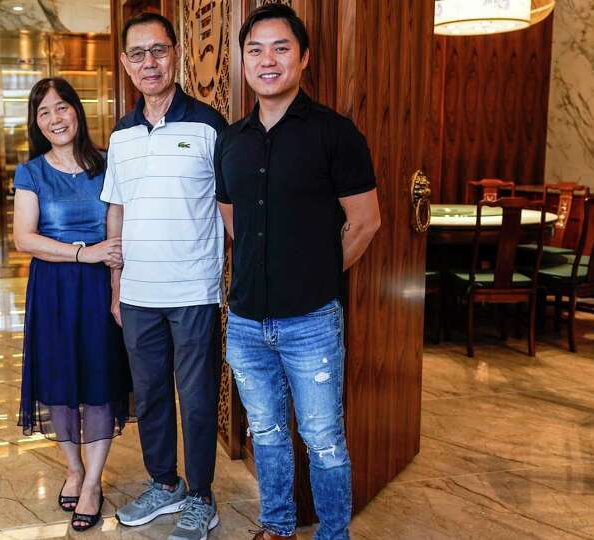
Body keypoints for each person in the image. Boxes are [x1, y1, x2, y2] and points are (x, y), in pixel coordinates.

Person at [214, 5, 381, 540]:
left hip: (311, 320)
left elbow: (364, 223)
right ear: (243, 61)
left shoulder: (336, 133)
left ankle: (334, 534)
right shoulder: (232, 140)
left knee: (324, 436)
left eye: (281, 48)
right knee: (265, 430)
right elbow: (232, 218)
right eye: (256, 49)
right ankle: (278, 525)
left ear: (304, 58)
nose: (268, 60)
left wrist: (313, 274)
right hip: (244, 322)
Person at [101, 12, 227, 540]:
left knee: (197, 398)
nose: (149, 62)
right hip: (137, 293)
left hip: (194, 288)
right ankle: (164, 483)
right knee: (150, 394)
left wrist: (232, 280)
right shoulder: (121, 134)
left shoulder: (209, 125)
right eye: (138, 54)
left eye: (158, 51)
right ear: (127, 65)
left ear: (175, 55)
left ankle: (201, 496)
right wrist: (115, 285)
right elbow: (117, 211)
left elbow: (229, 208)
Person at [13, 77, 131, 533]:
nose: (55, 118)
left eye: (61, 108)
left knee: (99, 382)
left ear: (76, 112)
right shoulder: (31, 172)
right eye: (44, 112)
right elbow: (24, 238)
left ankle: (94, 480)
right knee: (60, 382)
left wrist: (117, 288)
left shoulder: (107, 164)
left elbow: (117, 235)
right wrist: (85, 252)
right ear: (36, 123)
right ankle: (74, 467)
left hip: (99, 288)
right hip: (53, 290)